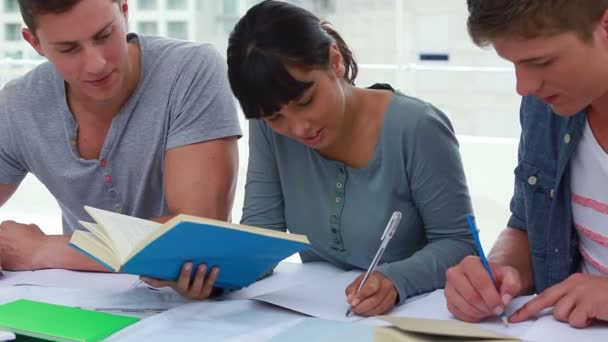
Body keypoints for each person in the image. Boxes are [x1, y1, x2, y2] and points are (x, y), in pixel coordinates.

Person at [227, 0, 476, 316]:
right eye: (276, 116)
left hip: (407, 318)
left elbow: (460, 245)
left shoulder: (417, 127)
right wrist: (208, 272)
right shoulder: (269, 127)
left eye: (305, 101)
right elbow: (261, 236)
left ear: (334, 61)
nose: (298, 128)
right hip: (316, 318)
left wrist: (395, 280)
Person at [0, 0, 242, 300]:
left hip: (191, 311)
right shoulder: (19, 104)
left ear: (125, 11)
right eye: (69, 49)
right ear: (34, 43)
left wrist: (42, 249)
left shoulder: (191, 71)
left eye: (104, 36)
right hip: (82, 307)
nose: (96, 63)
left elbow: (197, 235)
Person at [445, 0, 608, 328]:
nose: (524, 87)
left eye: (541, 62)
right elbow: (528, 225)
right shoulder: (544, 109)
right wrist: (499, 271)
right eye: (514, 64)